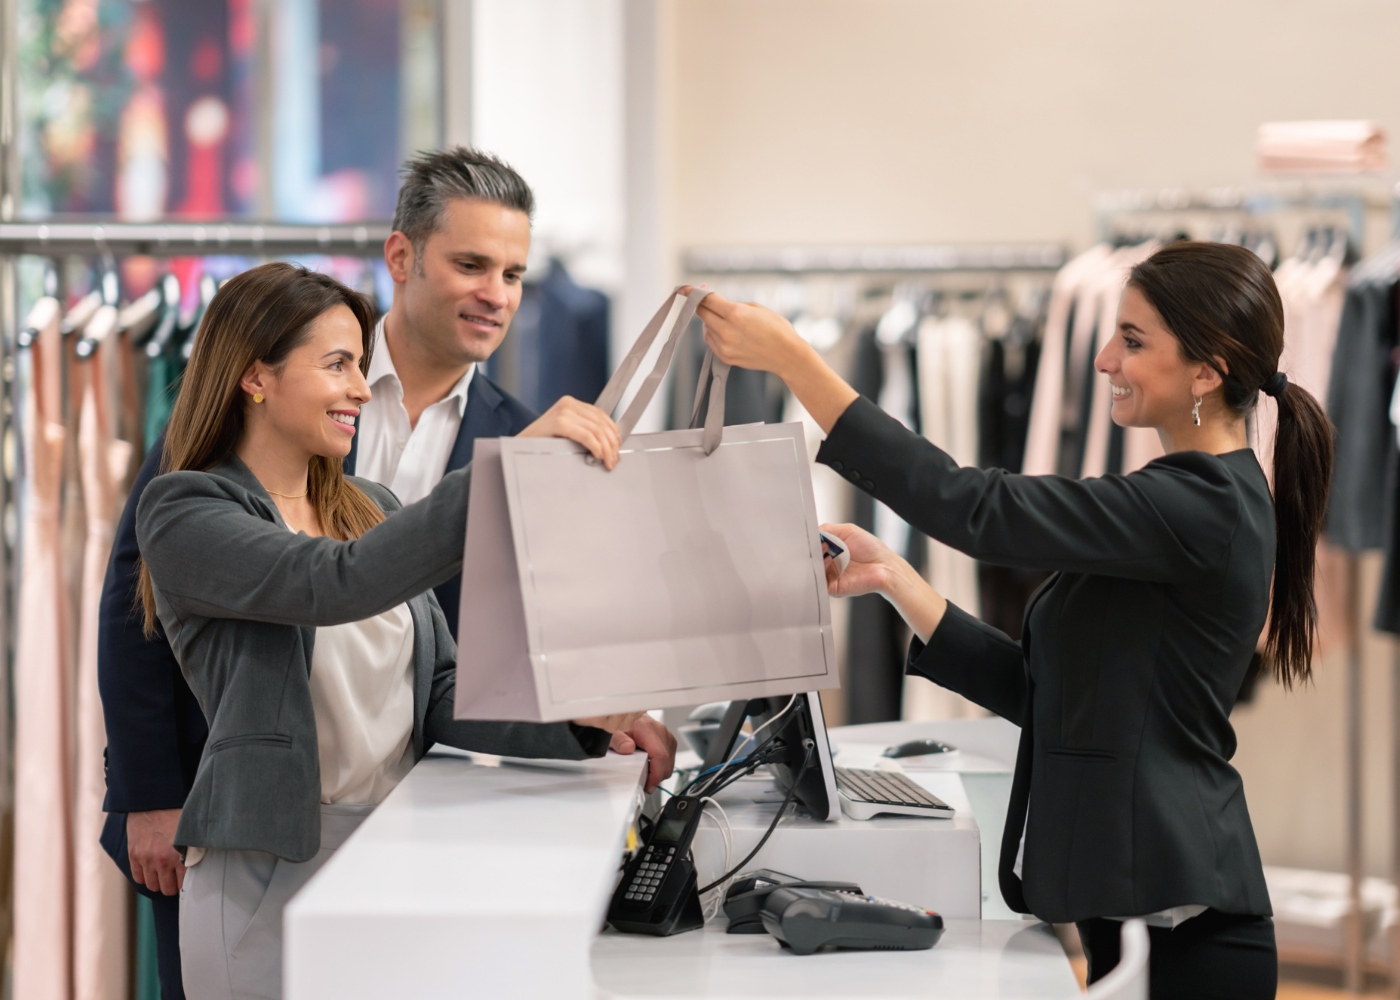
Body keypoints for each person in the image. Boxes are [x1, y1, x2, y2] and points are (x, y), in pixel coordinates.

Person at [97, 147, 676, 999]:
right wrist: (146, 790)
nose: (499, 293)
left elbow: (440, 688)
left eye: (514, 272)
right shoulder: (193, 500)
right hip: (253, 835)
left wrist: (582, 716)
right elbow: (326, 585)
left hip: (399, 837)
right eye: (472, 264)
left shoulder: (370, 498)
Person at [691, 241, 1334, 999]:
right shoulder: (1189, 498)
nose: (1102, 360)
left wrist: (798, 364)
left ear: (1207, 370)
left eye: (1131, 340)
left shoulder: (1203, 504)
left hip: (1190, 930)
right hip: (1143, 916)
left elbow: (977, 507)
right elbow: (1050, 698)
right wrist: (897, 582)